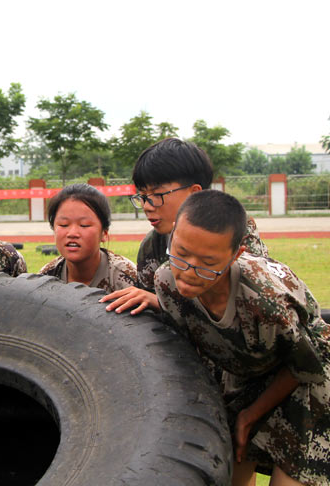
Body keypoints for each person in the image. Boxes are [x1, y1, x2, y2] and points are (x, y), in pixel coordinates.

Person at [155, 190, 330, 486]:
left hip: (308, 385)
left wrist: (250, 415)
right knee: (227, 477)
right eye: (181, 253)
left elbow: (305, 366)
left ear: (236, 255)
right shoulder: (166, 282)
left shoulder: (267, 301)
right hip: (246, 379)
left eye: (207, 262)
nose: (188, 272)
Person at [129, 138, 267, 291]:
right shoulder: (152, 245)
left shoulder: (234, 229)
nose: (147, 206)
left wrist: (159, 304)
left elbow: (247, 295)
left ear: (194, 193)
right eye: (142, 197)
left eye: (157, 195)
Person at [37, 184, 137, 292]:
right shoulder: (45, 277)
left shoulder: (126, 279)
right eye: (64, 225)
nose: (72, 233)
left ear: (104, 233)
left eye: (84, 225)